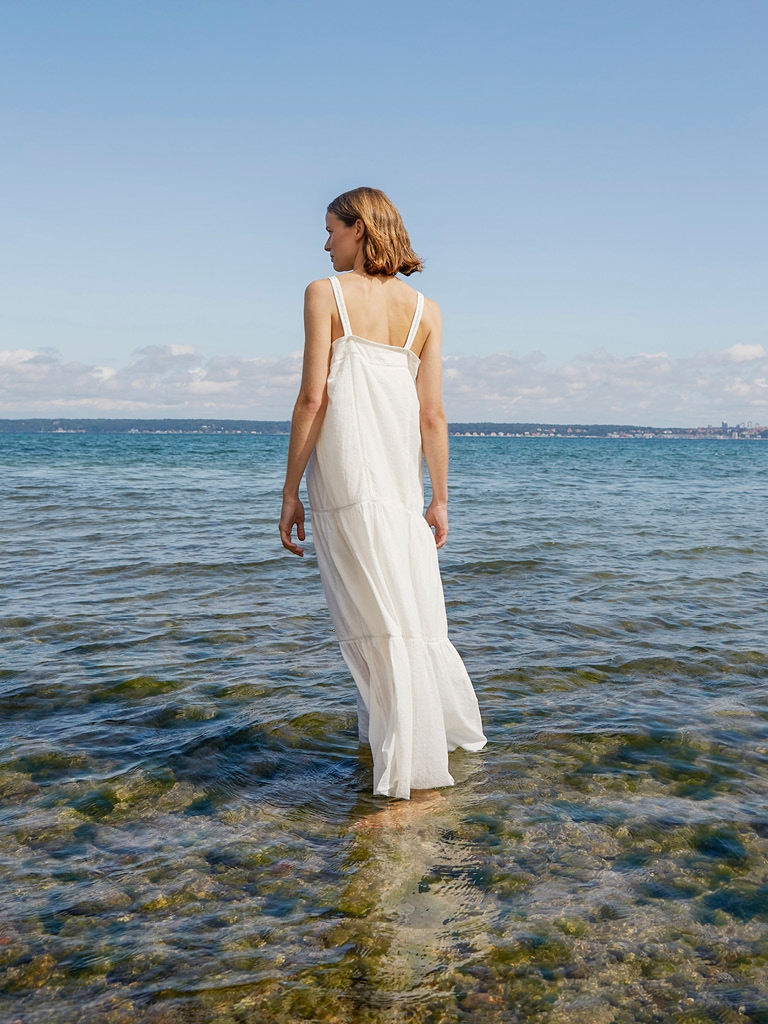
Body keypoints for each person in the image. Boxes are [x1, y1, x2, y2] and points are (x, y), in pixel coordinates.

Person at [279, 187, 486, 800]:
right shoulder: (427, 310)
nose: (325, 243)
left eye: (332, 231)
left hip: (346, 481)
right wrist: (439, 499)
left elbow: (313, 399)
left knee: (372, 621)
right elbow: (434, 416)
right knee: (405, 614)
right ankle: (411, 743)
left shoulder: (325, 293)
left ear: (360, 230)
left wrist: (289, 491)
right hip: (399, 489)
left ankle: (403, 766)